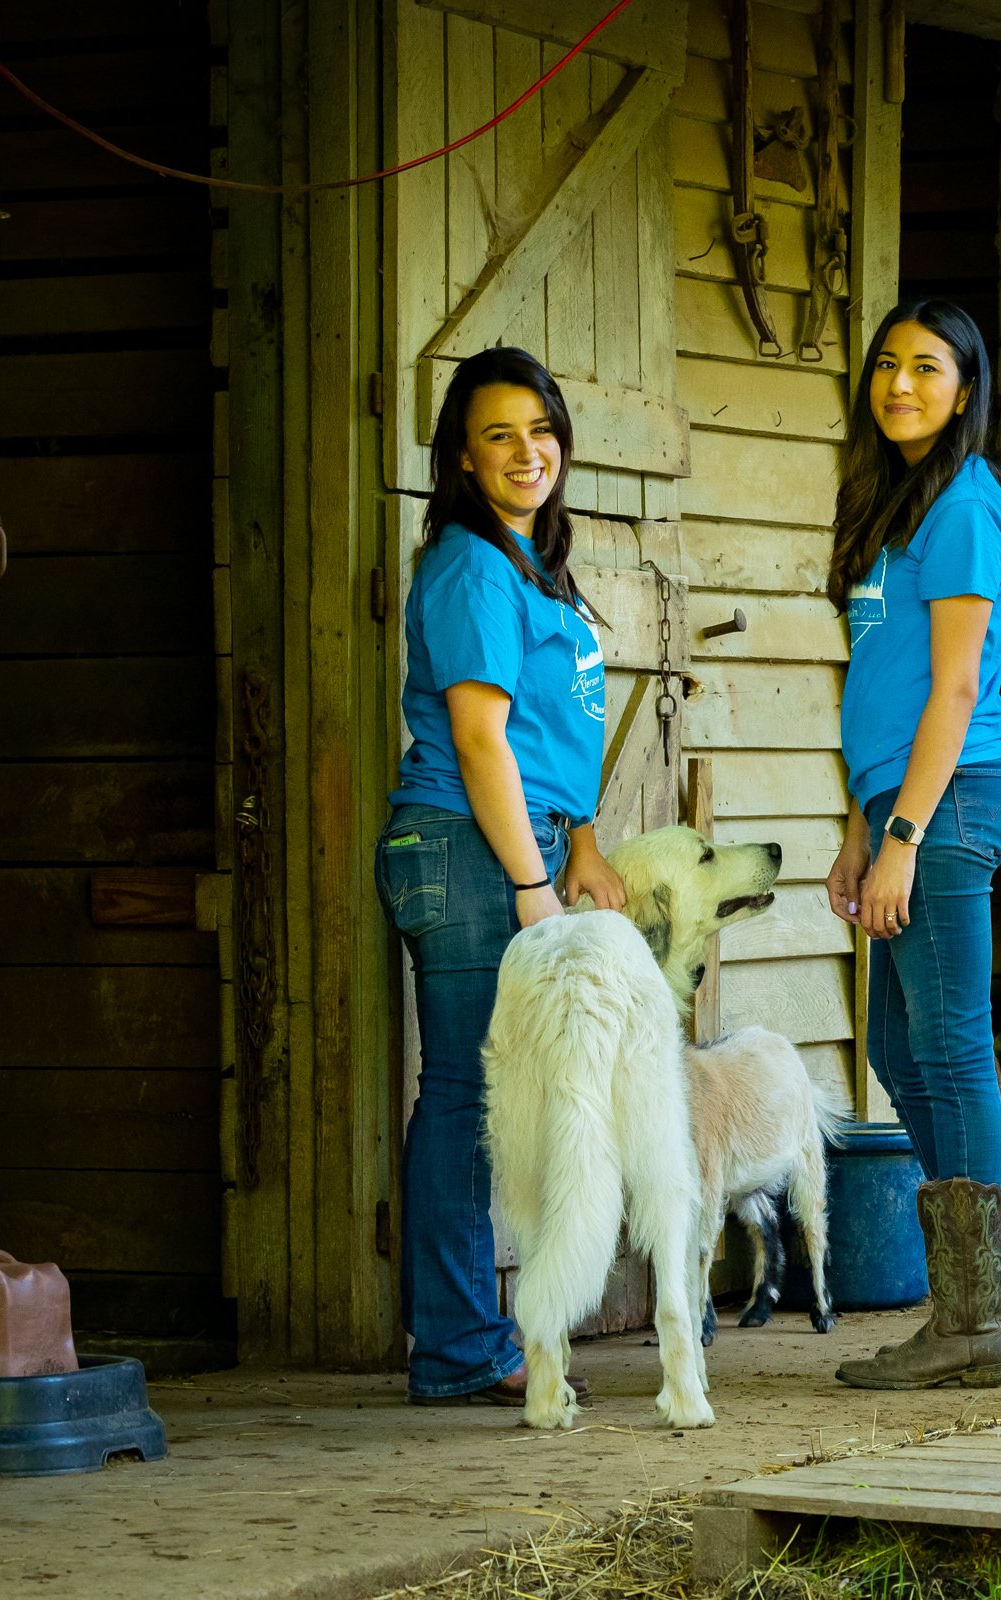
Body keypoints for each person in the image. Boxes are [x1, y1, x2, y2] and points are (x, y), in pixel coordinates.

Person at [375, 346, 625, 1405]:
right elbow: (481, 741)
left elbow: (545, 733)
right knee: (466, 1095)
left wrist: (580, 842)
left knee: (485, 1095)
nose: (528, 452)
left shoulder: (533, 564)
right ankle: (460, 1346)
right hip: (465, 847)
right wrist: (530, 880)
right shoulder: (474, 566)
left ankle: (466, 1339)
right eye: (498, 436)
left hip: (510, 843)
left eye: (541, 430)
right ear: (462, 461)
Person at [825, 301, 1001, 1390]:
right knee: (905, 1053)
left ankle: (966, 1320)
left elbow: (954, 688)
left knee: (949, 1049)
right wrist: (862, 830)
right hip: (902, 809)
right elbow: (882, 684)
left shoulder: (961, 505)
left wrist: (902, 831)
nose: (901, 382)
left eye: (929, 367)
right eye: (888, 365)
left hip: (946, 805)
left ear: (965, 388)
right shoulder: (897, 503)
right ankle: (991, 1301)